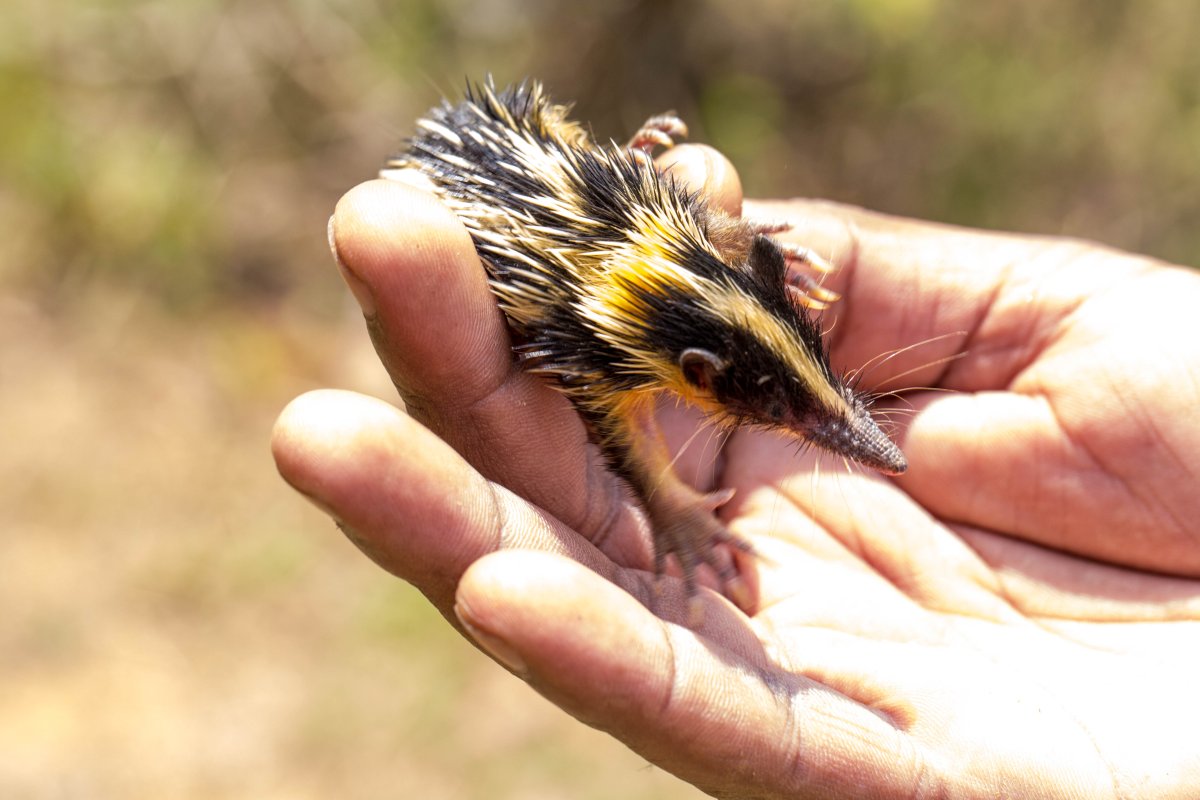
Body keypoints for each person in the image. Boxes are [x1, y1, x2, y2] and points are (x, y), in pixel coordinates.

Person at [272, 144, 1200, 797]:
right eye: (793, 410)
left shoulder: (696, 240)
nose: (851, 433)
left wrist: (765, 271)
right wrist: (672, 506)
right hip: (491, 211)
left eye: (820, 391)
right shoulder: (600, 355)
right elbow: (619, 435)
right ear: (698, 382)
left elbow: (725, 238)